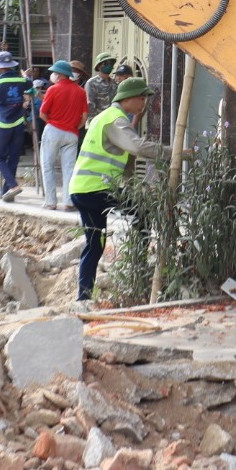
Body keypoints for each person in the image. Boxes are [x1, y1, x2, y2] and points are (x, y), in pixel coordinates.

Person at [69, 78, 166, 303]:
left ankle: (83, 298)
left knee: (94, 245)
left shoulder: (104, 117)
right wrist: (177, 152)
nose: (143, 103)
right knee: (142, 212)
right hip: (96, 190)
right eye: (141, 98)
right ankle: (139, 271)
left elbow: (126, 166)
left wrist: (135, 187)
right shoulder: (115, 119)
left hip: (81, 189)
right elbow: (138, 147)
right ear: (127, 98)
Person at [38, 60, 87, 210]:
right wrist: (74, 127)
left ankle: (51, 202)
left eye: (54, 73)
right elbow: (84, 117)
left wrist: (53, 123)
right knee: (69, 168)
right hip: (72, 133)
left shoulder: (53, 89)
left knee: (47, 166)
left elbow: (42, 113)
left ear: (59, 75)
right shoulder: (81, 91)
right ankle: (69, 202)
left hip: (53, 130)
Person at [0, 53, 29, 201]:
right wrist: (25, 76)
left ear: (0, 67)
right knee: (13, 158)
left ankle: (12, 185)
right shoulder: (21, 79)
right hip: (18, 124)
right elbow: (29, 86)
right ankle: (7, 192)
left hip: (3, 124)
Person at [85, 53, 117, 122]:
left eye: (111, 64)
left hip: (111, 121)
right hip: (97, 121)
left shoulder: (114, 84)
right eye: (107, 63)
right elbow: (90, 104)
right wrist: (92, 122)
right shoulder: (91, 83)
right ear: (99, 66)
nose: (110, 66)